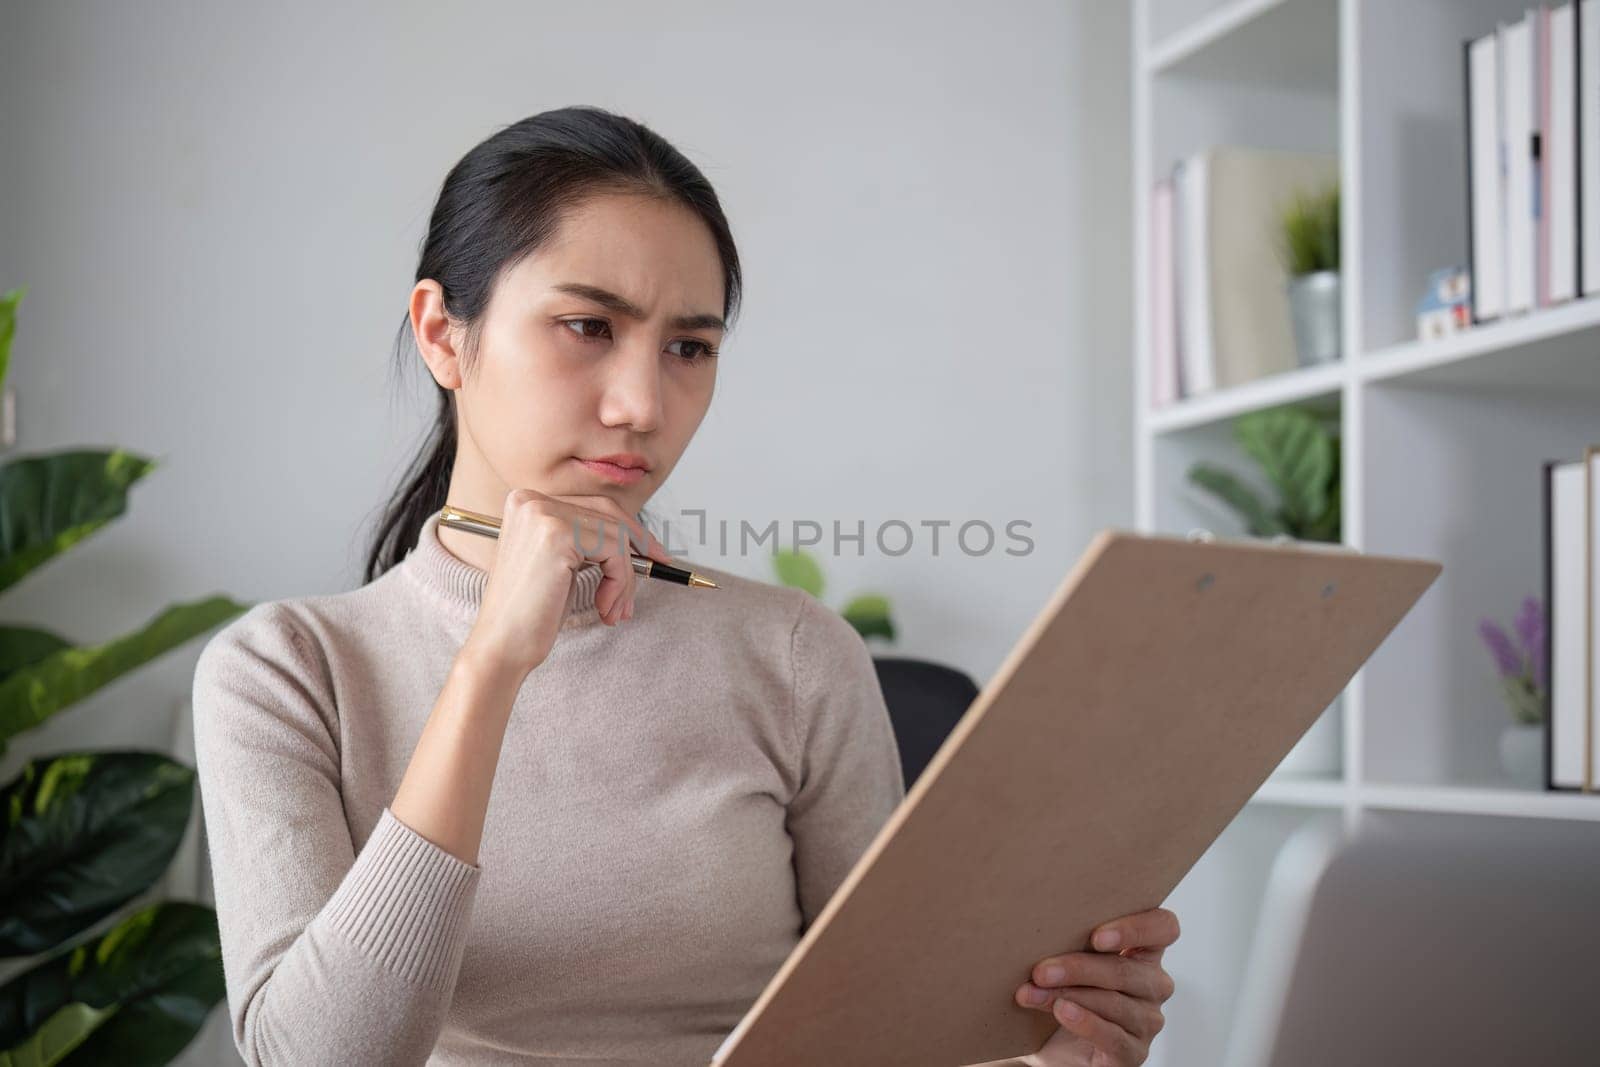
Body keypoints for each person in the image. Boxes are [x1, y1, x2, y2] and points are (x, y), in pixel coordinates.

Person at [190, 105, 1178, 1067]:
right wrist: (491, 664)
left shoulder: (792, 652)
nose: (642, 404)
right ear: (443, 334)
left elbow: (881, 1038)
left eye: (689, 348)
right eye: (586, 325)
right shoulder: (286, 671)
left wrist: (1046, 1056)